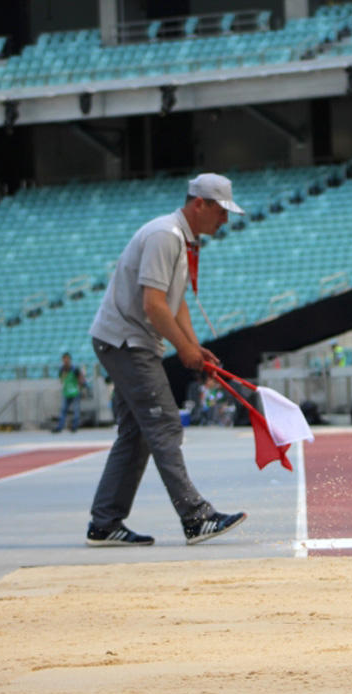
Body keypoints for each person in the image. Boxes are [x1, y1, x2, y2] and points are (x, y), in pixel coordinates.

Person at [86, 173, 248, 547]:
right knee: (164, 425)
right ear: (200, 204)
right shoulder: (165, 236)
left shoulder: (180, 238)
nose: (225, 220)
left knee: (137, 433)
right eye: (221, 211)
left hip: (124, 340)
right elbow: (154, 305)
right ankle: (196, 517)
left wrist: (194, 345)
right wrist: (184, 350)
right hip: (126, 341)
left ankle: (105, 522)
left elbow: (176, 302)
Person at [53, 352, 86, 433]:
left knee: (76, 410)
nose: (66, 360)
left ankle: (74, 426)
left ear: (70, 359)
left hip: (75, 392)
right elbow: (61, 380)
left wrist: (81, 385)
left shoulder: (74, 369)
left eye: (67, 359)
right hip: (66, 393)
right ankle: (60, 426)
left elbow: (80, 378)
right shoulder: (61, 370)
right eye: (64, 359)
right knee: (63, 410)